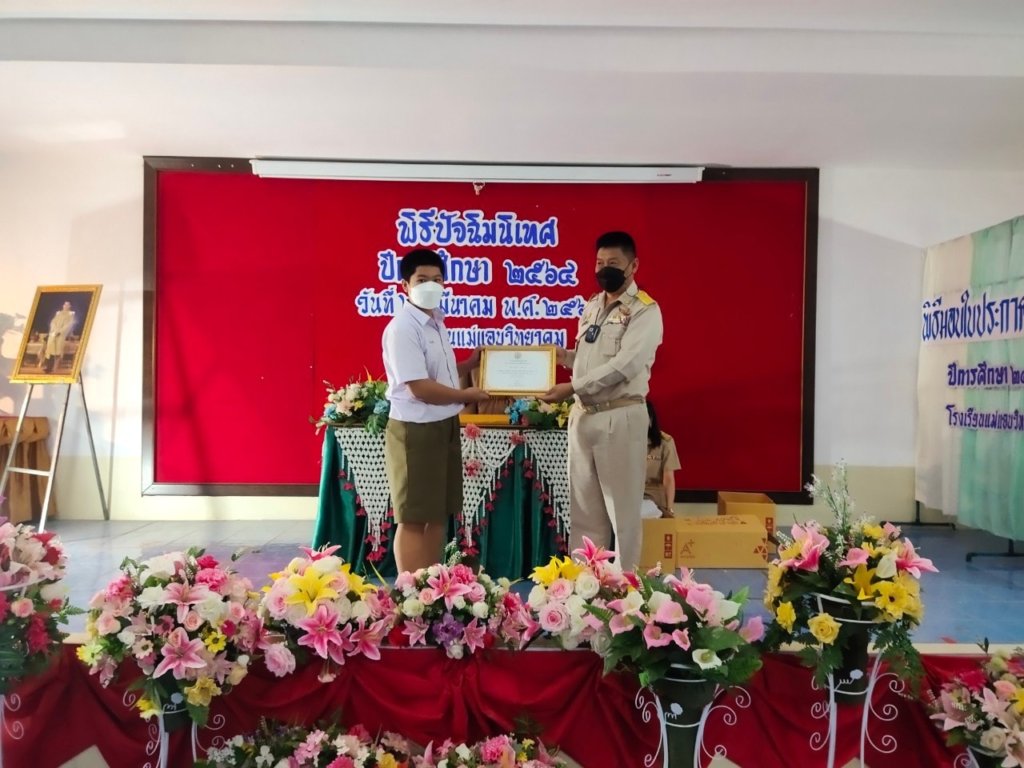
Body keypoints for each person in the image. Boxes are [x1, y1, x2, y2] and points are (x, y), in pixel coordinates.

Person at [541, 231, 663, 571]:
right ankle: (585, 584)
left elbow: (625, 365)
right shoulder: (593, 305)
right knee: (584, 510)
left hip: (619, 416)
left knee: (622, 512)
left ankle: (625, 588)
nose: (604, 269)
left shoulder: (645, 311)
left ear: (633, 266)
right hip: (584, 416)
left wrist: (572, 387)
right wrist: (563, 357)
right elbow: (588, 357)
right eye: (599, 262)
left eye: (613, 263)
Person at [382, 248, 491, 573]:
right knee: (414, 517)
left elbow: (438, 375)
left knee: (438, 514)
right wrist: (465, 394)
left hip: (444, 425)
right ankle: (409, 590)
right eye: (422, 280)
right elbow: (419, 387)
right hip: (415, 430)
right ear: (405, 285)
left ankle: (431, 584)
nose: (431, 285)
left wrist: (470, 364)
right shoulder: (403, 328)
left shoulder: (436, 322)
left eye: (437, 279)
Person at [643, 401, 681, 519]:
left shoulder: (665, 442)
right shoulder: (622, 442)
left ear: (650, 420)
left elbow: (668, 480)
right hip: (629, 497)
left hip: (654, 498)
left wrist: (670, 510)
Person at [43, 301, 75, 373]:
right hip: (53, 333)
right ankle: (48, 367)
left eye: (67, 305)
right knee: (50, 350)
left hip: (60, 335)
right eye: (64, 304)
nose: (65, 306)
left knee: (57, 352)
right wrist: (55, 329)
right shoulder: (58, 313)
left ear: (70, 306)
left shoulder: (70, 314)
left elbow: (68, 325)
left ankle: (54, 368)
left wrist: (60, 331)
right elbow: (53, 322)